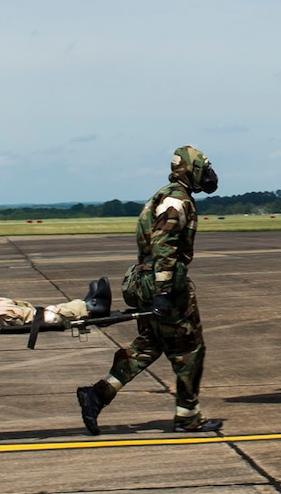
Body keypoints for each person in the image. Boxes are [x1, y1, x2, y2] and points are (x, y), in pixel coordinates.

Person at [75, 146, 220, 435]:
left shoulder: (164, 194)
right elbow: (164, 244)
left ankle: (97, 395)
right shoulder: (177, 201)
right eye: (204, 168)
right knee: (190, 349)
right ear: (191, 170)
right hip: (162, 283)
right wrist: (164, 291)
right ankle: (188, 417)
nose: (209, 174)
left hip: (146, 279)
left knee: (150, 345)